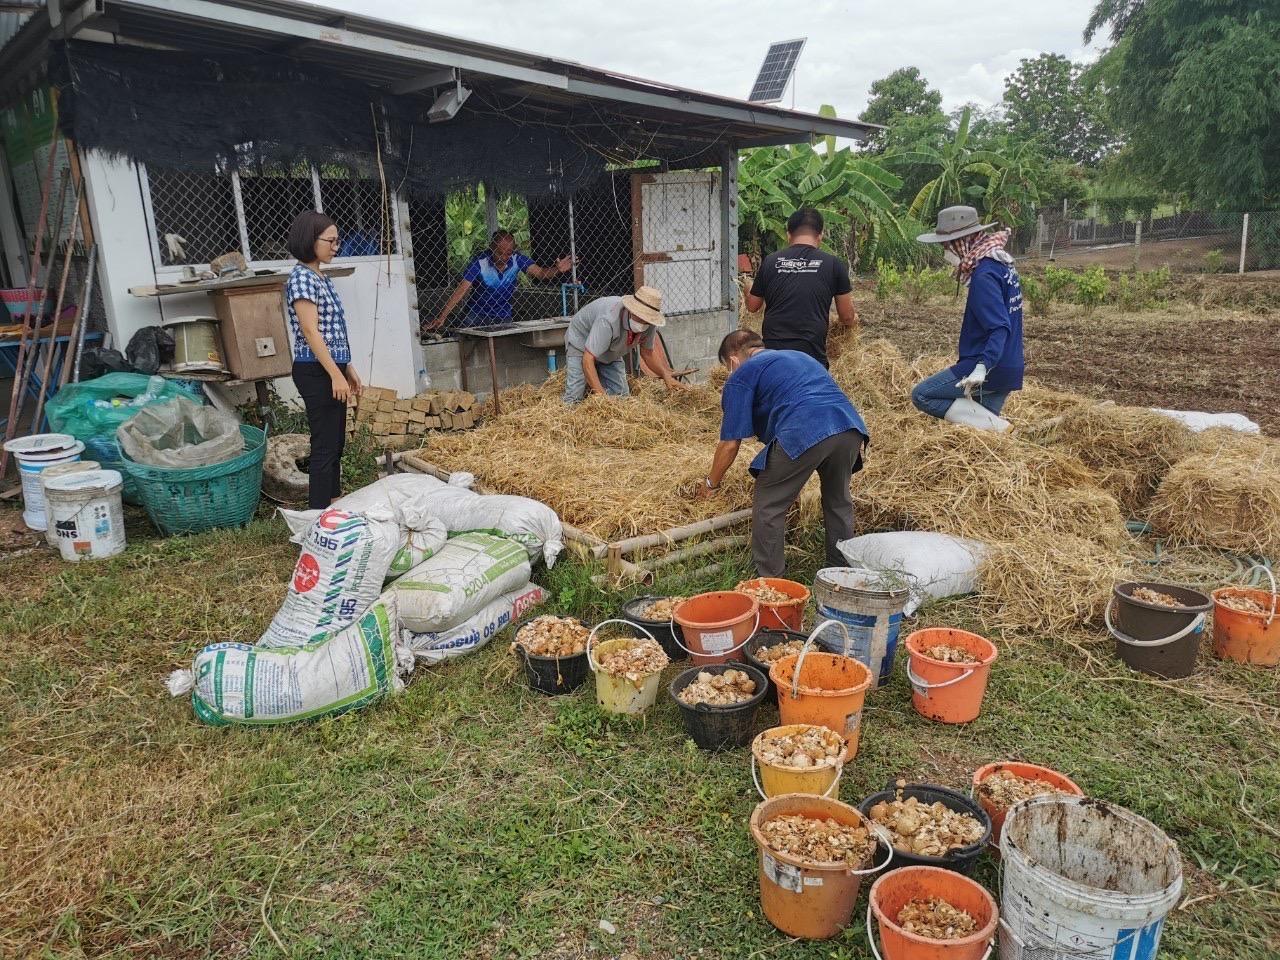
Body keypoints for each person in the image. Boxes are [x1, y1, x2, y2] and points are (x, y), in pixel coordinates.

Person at [694, 330, 869, 577]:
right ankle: (841, 572)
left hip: (805, 428)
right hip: (849, 427)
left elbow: (730, 444)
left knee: (769, 505)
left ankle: (771, 581)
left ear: (733, 360)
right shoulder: (798, 357)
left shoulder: (741, 374)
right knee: (838, 500)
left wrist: (711, 484)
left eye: (727, 368)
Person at [910, 205, 1024, 432]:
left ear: (960, 242)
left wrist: (982, 367)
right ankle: (998, 431)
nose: (945, 252)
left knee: (921, 395)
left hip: (987, 365)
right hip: (1009, 362)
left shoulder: (984, 275)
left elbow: (999, 326)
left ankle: (1002, 428)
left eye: (946, 245)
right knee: (980, 433)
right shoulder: (1002, 265)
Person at [285, 210, 361, 510]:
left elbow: (334, 331)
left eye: (337, 240)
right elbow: (309, 330)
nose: (335, 246)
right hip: (315, 371)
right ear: (309, 240)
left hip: (331, 368)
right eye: (330, 240)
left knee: (336, 444)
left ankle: (334, 502)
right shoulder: (302, 278)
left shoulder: (321, 277)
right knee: (324, 446)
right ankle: (318, 515)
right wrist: (335, 374)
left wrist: (347, 367)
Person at [745, 207, 857, 368]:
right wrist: (854, 320)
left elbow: (752, 306)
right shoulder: (833, 264)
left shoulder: (770, 261)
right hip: (811, 354)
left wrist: (747, 287)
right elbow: (846, 317)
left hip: (774, 353)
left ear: (788, 235)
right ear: (820, 236)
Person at [425, 230, 574, 331]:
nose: (504, 257)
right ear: (491, 248)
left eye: (508, 253)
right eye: (499, 253)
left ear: (513, 250)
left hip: (503, 314)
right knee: (461, 335)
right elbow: (461, 290)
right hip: (476, 313)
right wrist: (442, 317)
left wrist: (557, 270)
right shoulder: (480, 263)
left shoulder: (517, 260)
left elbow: (541, 273)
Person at [562, 285, 686, 404]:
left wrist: (666, 375)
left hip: (610, 350)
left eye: (647, 319)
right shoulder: (608, 319)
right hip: (581, 341)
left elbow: (647, 353)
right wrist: (602, 399)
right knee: (574, 395)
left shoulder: (650, 323)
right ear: (632, 310)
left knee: (622, 397)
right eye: (641, 317)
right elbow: (587, 359)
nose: (643, 322)